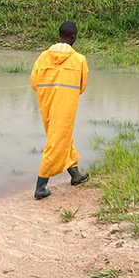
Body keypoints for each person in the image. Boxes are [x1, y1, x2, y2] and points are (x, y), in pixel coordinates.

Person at [30, 20, 90, 199]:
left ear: (60, 35)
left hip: (46, 104)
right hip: (66, 106)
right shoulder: (79, 60)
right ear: (73, 37)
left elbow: (34, 82)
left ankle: (76, 175)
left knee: (61, 138)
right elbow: (82, 86)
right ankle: (41, 187)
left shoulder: (43, 57)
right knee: (57, 142)